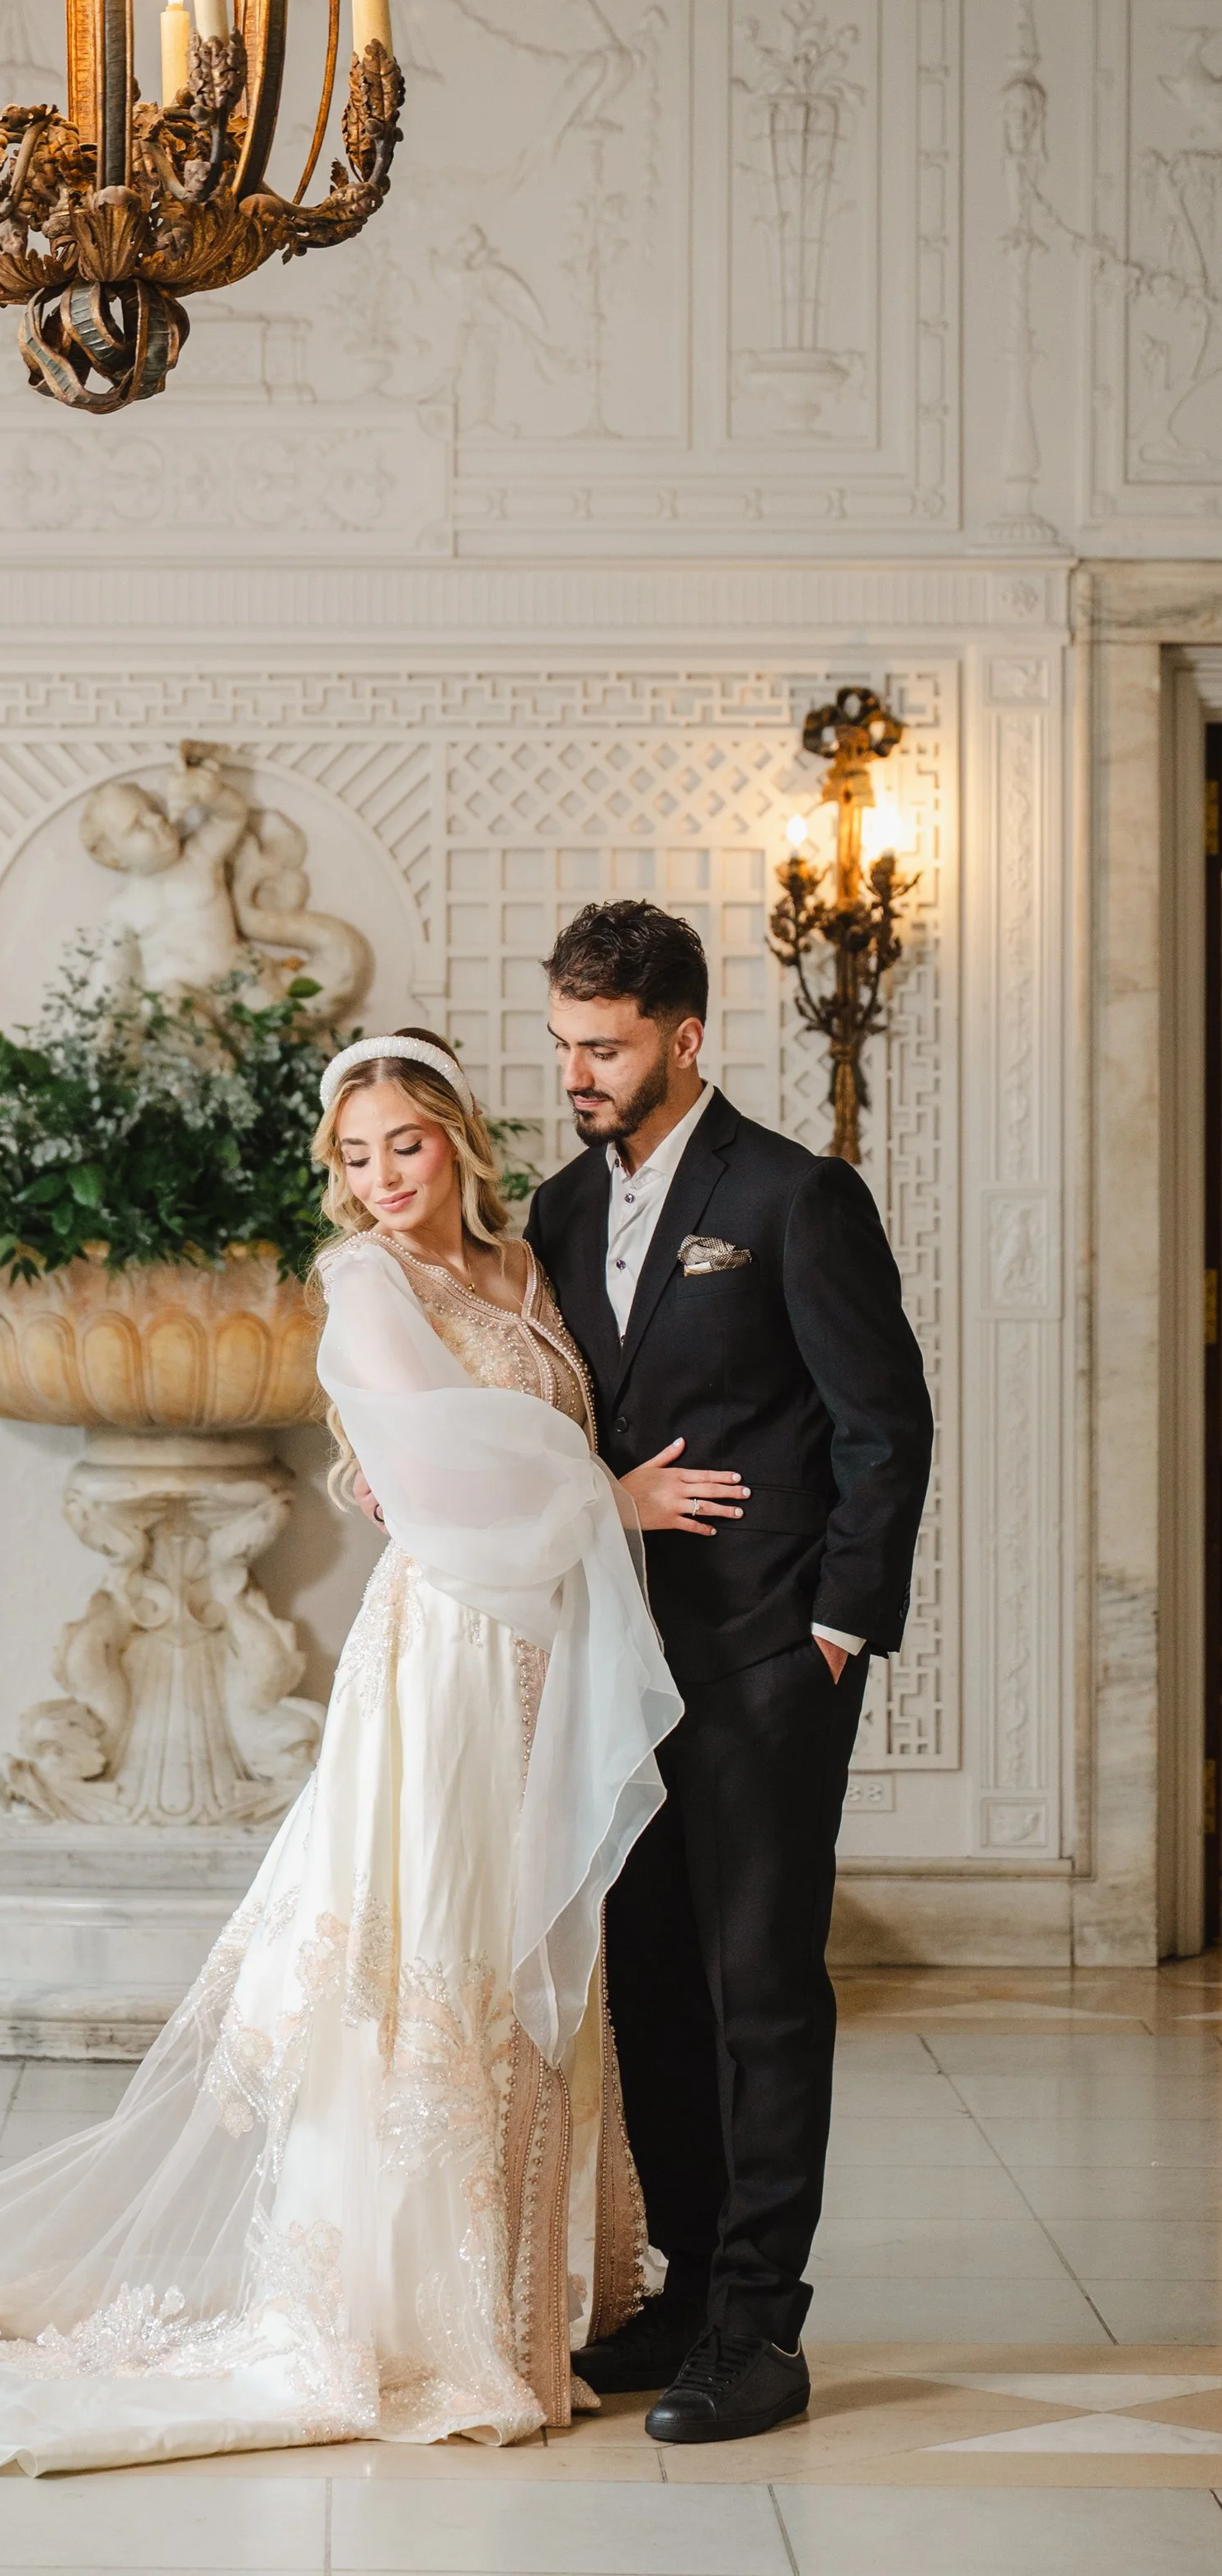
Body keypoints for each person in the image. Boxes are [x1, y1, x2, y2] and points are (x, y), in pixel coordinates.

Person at [0, 1027, 712, 2476]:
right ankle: (405, 2318)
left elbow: (476, 1448)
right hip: (445, 1655)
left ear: (455, 1137)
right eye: (358, 1153)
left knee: (534, 1954)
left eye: (408, 1142)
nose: (383, 1175)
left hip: (540, 1651)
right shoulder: (362, 1281)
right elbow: (447, 1472)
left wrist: (536, 1490)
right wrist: (605, 1500)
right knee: (433, 1950)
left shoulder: (523, 1269)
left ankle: (520, 2316)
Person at [531, 900, 933, 2447]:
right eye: (565, 1042)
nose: (578, 1070)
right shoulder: (560, 1212)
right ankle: (695, 2291)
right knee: (649, 1987)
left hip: (767, 1660)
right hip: (616, 1671)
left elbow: (881, 1426)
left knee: (758, 1987)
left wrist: (835, 1629)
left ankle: (764, 2325)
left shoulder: (792, 1194)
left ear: (685, 1038)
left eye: (606, 1046)